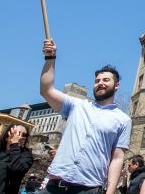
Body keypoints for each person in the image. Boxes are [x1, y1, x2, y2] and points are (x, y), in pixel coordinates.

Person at [40, 40, 132, 194]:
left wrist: (109, 192)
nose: (100, 83)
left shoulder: (124, 120)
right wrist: (50, 58)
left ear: (117, 85)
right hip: (54, 186)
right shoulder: (77, 105)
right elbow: (46, 90)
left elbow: (117, 158)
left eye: (105, 80)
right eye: (97, 81)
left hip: (89, 189)